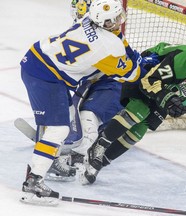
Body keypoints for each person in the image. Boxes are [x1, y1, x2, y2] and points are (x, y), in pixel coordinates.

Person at [20, 0, 154, 205]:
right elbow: (132, 74)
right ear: (105, 23)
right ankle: (33, 184)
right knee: (59, 130)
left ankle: (44, 163)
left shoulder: (87, 20)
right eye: (115, 19)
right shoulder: (108, 46)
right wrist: (139, 63)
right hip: (47, 76)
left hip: (40, 59)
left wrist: (129, 53)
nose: (120, 21)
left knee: (65, 129)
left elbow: (119, 41)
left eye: (120, 16)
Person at [79, 42, 186, 185]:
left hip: (168, 90)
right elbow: (149, 82)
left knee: (139, 131)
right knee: (138, 112)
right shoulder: (180, 61)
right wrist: (168, 99)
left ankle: (99, 163)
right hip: (148, 73)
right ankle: (99, 146)